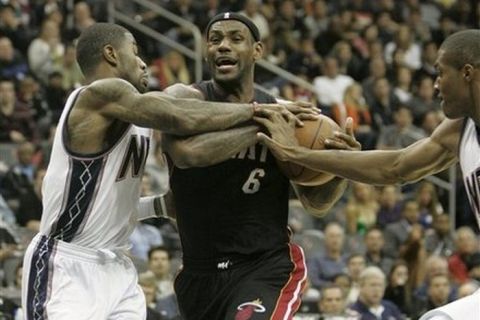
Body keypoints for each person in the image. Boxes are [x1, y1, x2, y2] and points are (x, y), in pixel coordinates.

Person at [20, 22, 310, 320]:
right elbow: (179, 116)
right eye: (135, 52)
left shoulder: (135, 112)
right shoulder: (101, 94)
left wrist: (161, 205)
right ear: (111, 54)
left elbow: (105, 203)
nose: (144, 62)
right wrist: (259, 112)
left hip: (117, 267)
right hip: (67, 264)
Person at [256, 29, 480, 320]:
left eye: (440, 73)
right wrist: (304, 156)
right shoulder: (458, 131)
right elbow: (395, 167)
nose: (435, 85)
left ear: (467, 73)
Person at [161, 12, 359, 319]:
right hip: (198, 274)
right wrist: (258, 122)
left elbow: (316, 204)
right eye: (215, 40)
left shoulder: (289, 119)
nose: (223, 46)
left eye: (236, 39)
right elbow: (189, 155)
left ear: (257, 51)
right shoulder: (185, 100)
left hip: (264, 267)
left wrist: (340, 168)